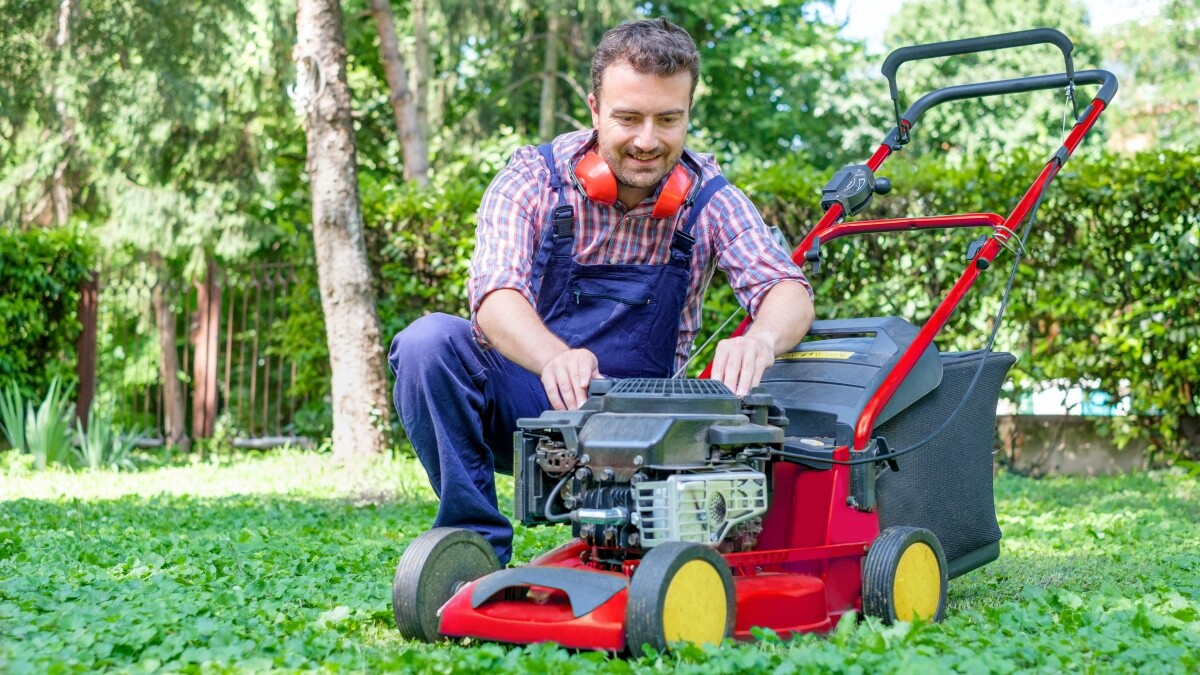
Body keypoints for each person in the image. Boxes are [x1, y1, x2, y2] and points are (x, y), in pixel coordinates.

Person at [389, 17, 814, 565]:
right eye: (628, 117)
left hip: (650, 429)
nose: (647, 140)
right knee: (427, 343)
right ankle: (473, 542)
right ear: (593, 109)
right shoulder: (534, 178)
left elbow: (787, 288)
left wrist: (761, 339)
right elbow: (495, 296)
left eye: (668, 119)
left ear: (688, 114)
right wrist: (553, 358)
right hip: (535, 413)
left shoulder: (710, 196)